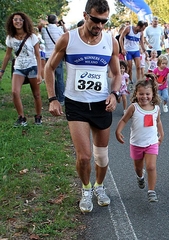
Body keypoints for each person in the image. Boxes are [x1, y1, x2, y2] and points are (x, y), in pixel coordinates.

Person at [44, 0, 122, 212]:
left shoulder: (110, 41)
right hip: (76, 104)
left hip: (101, 105)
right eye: (95, 20)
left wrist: (114, 94)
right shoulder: (68, 38)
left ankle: (99, 186)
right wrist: (52, 98)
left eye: (104, 21)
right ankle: (86, 189)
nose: (99, 25)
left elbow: (116, 74)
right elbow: (49, 68)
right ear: (86, 15)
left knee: (101, 156)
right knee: (84, 156)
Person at [115, 74, 164, 202]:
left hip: (151, 143)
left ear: (153, 94)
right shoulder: (134, 107)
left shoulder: (156, 109)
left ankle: (151, 190)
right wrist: (118, 131)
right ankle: (140, 177)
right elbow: (124, 120)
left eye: (147, 94)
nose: (144, 97)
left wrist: (161, 133)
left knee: (151, 167)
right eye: (141, 94)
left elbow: (158, 122)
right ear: (136, 94)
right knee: (138, 167)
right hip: (136, 143)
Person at [0, 12, 43, 126]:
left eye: (20, 20)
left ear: (24, 22)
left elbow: (38, 56)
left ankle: (38, 117)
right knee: (14, 92)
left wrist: (39, 73)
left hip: (32, 66)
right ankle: (21, 118)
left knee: (36, 94)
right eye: (15, 20)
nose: (18, 22)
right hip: (18, 67)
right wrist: (1, 71)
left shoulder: (32, 37)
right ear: (12, 22)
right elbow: (7, 55)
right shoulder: (10, 38)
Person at [41, 14, 67, 105]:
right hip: (57, 55)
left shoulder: (44, 30)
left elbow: (40, 26)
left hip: (48, 55)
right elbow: (65, 36)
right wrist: (62, 25)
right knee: (60, 77)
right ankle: (61, 98)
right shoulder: (59, 29)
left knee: (51, 77)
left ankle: (53, 96)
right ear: (56, 21)